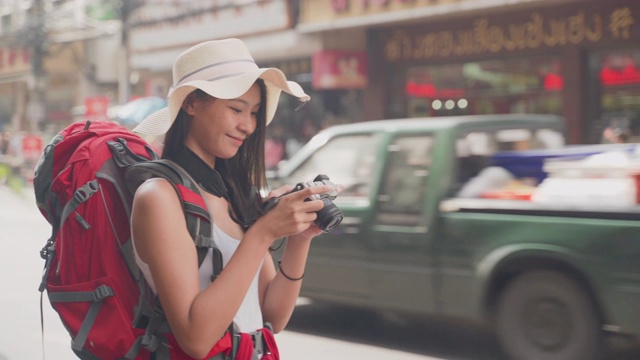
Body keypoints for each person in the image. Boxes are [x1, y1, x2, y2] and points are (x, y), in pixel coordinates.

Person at [130, 38, 332, 359]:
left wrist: (300, 239)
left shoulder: (235, 194)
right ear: (191, 104)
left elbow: (272, 316)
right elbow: (196, 339)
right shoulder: (159, 197)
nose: (248, 126)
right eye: (236, 109)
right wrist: (262, 232)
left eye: (253, 113)